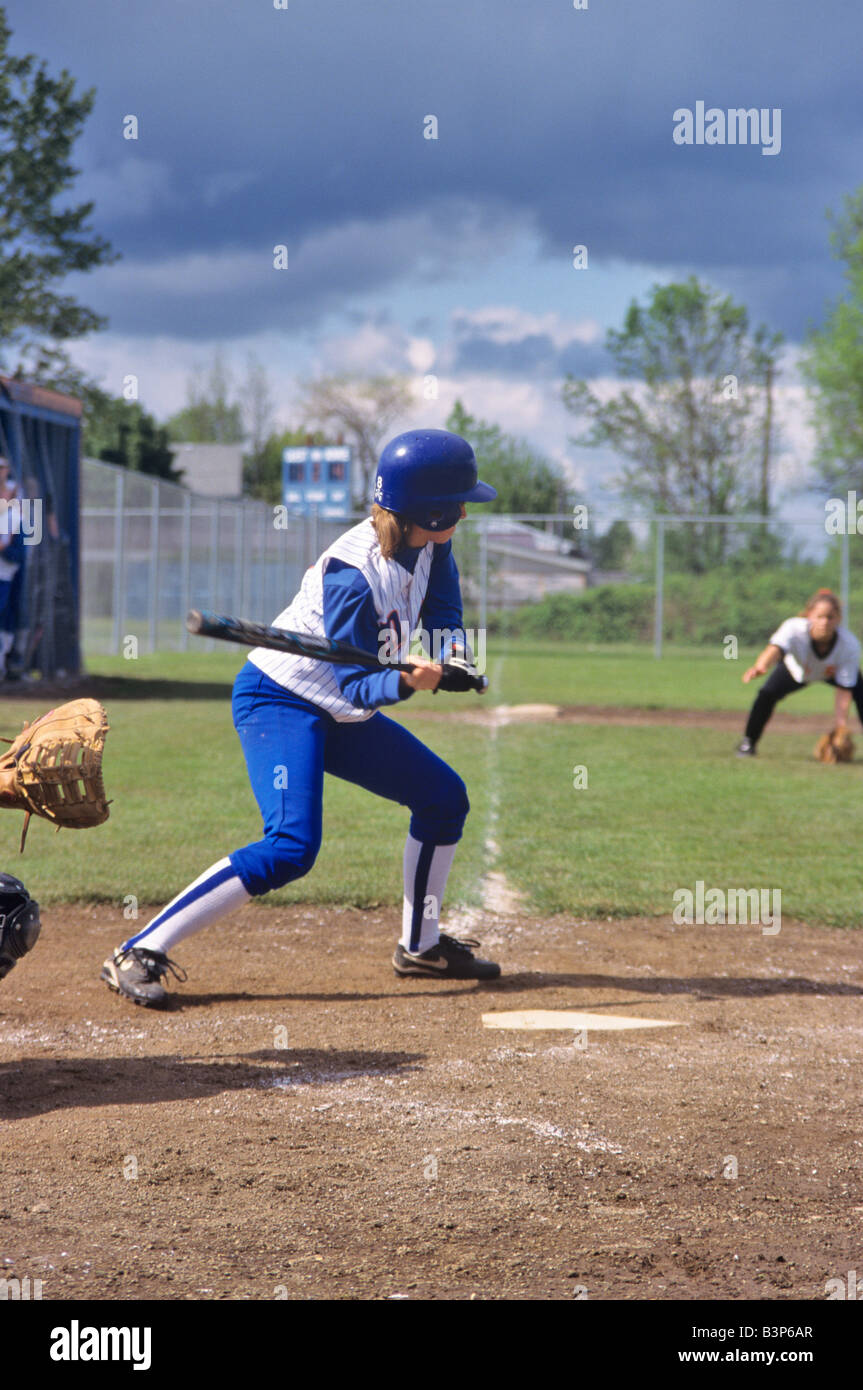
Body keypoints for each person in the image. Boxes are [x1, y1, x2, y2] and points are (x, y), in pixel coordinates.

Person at [101, 428, 501, 1007]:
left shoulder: (432, 544)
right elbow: (358, 682)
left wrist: (454, 657)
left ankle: (421, 946)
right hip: (280, 698)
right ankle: (139, 950)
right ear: (429, 509)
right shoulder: (352, 574)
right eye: (458, 502)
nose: (465, 511)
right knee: (291, 846)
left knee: (443, 798)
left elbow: (442, 613)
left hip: (338, 706)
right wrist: (407, 680)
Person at [736, 588, 863, 756]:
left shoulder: (849, 645)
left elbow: (844, 690)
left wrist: (841, 728)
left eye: (830, 617)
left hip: (831, 672)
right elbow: (775, 649)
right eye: (820, 616)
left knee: (861, 694)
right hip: (796, 670)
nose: (824, 622)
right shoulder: (793, 628)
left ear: (838, 619)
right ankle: (748, 742)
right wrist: (762, 665)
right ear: (810, 615)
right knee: (766, 694)